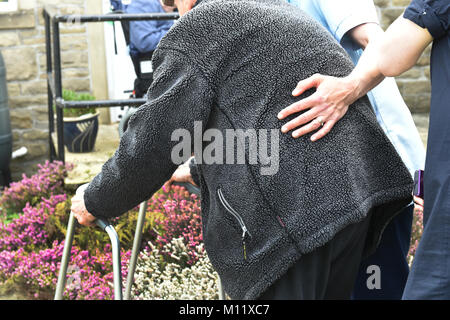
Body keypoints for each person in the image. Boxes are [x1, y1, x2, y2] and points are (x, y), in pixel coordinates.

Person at [71, 0, 413, 300]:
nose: (177, 17)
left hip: (301, 218)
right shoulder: (277, 13)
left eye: (175, 6)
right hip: (356, 198)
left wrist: (94, 199)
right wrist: (196, 169)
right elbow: (267, 129)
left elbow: (150, 144)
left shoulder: (202, 26)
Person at [279, 0, 449, 299]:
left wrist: (348, 88)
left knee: (378, 291)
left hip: (376, 179)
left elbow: (381, 46)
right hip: (323, 184)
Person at [126, 0, 176, 97]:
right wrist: (177, 32)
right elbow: (145, 42)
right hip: (156, 67)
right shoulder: (144, 3)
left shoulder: (163, 5)